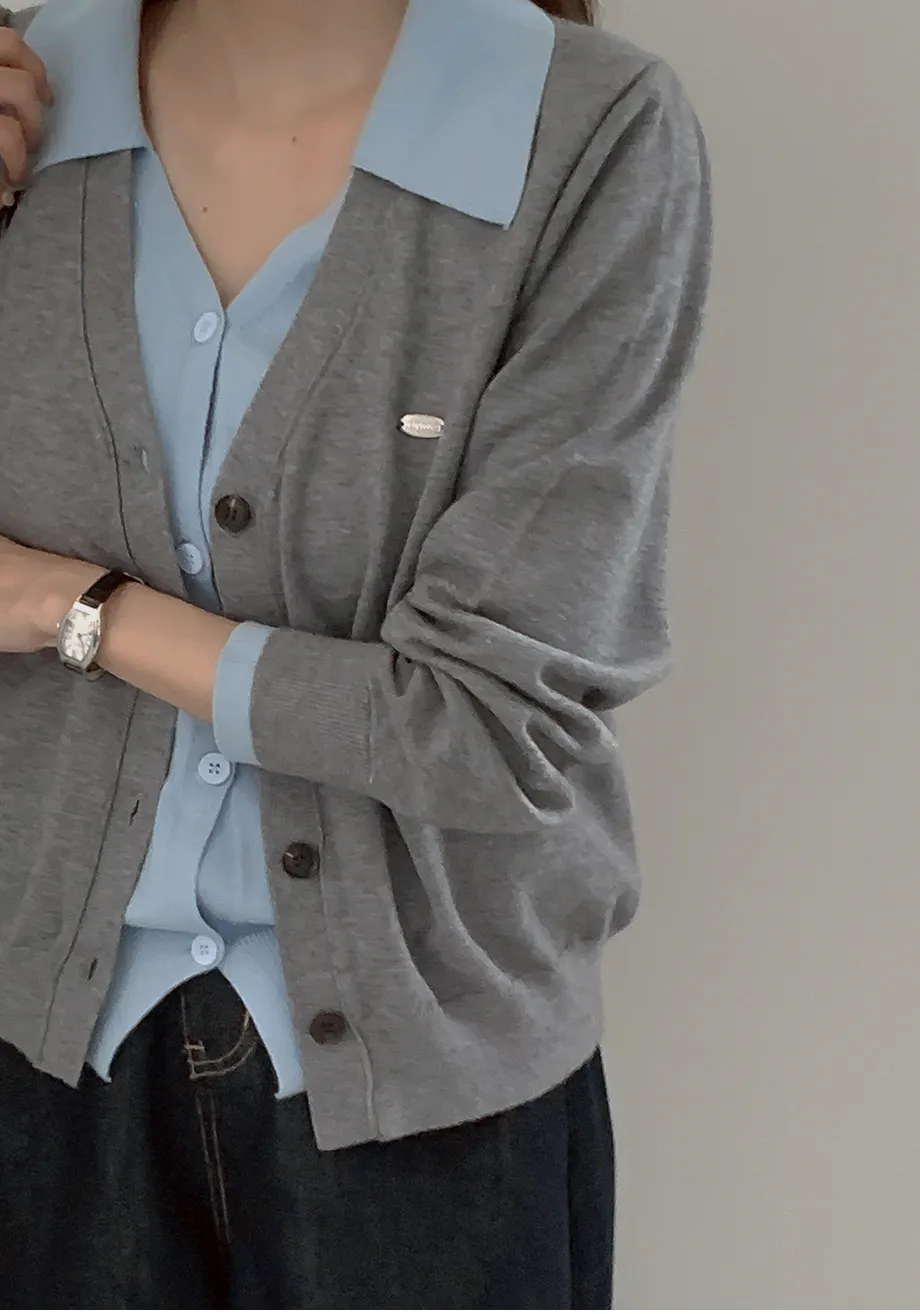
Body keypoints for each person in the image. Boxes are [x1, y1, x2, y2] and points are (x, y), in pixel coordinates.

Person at [0, 0, 711, 1307]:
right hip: (40, 1068)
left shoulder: (582, 131)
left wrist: (74, 607)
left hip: (428, 1109)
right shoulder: (26, 93)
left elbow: (484, 727)